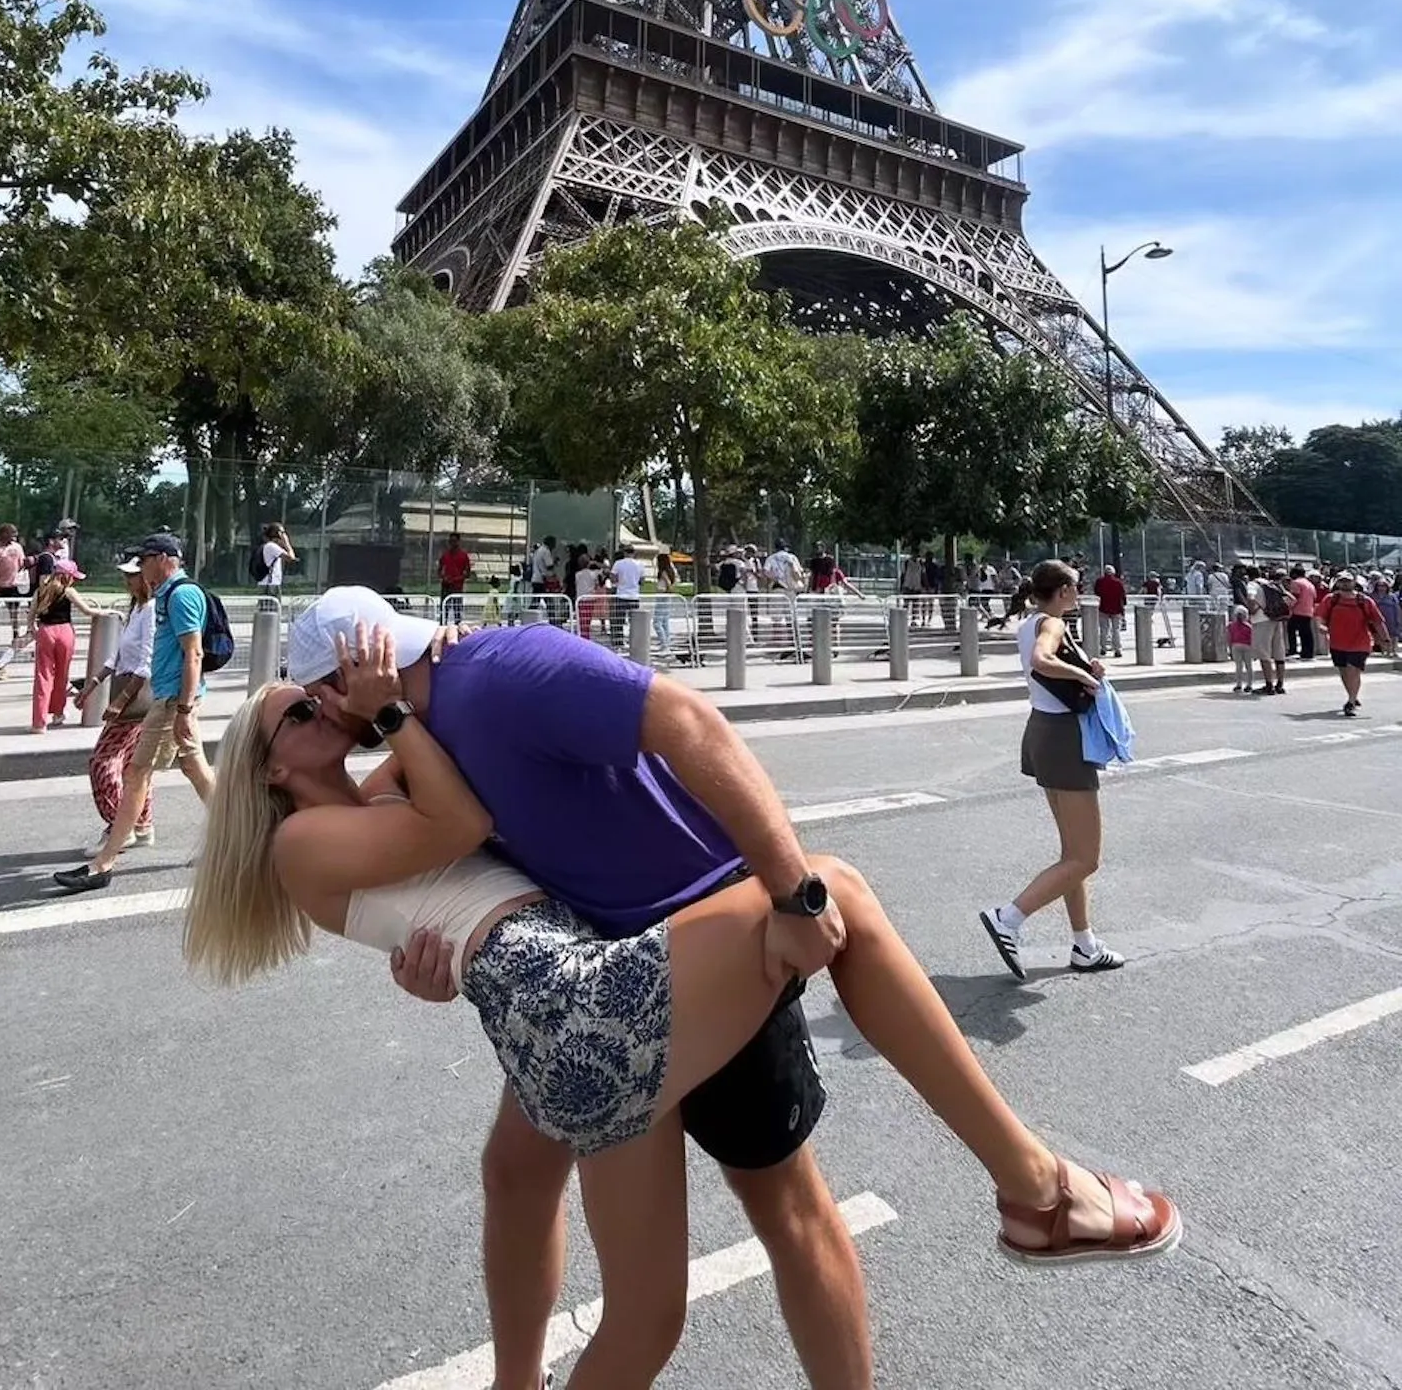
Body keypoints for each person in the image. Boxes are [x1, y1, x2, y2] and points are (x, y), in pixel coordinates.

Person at [185, 601, 1180, 1390]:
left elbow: (455, 825)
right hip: (596, 996)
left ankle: (518, 1378)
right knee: (841, 904)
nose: (327, 712)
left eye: (318, 698)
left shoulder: (399, 767)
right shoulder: (315, 833)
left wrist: (424, 670)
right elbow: (465, 816)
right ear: (271, 762)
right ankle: (1035, 1187)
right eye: (303, 712)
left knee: (639, 1301)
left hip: (587, 1010)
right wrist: (398, 701)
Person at [980, 560, 1125, 980]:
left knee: (1071, 854)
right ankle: (1008, 918)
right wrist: (1086, 675)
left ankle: (1085, 945)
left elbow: (1042, 663)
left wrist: (1084, 667)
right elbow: (1044, 661)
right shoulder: (1052, 624)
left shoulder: (1030, 621)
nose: (1079, 595)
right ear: (1061, 590)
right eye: (1075, 588)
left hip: (1042, 732)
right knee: (1086, 858)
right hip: (1064, 739)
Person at [54, 535, 215, 889]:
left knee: (136, 773)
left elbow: (194, 654)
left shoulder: (182, 594)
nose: (139, 569)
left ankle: (104, 863)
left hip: (173, 700)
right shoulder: (163, 595)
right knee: (193, 768)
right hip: (170, 697)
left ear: (162, 558)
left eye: (143, 561)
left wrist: (185, 708)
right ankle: (240, 836)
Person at [74, 557, 156, 854]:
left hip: (136, 699)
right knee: (133, 767)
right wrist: (92, 684)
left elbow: (146, 662)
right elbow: (119, 655)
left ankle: (118, 824)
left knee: (102, 762)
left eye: (133, 576)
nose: (128, 581)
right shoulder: (136, 609)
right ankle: (141, 823)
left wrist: (121, 701)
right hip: (128, 693)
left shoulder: (151, 611)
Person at [1315, 571, 1393, 717]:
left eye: (1348, 581)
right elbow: (1319, 616)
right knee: (1344, 672)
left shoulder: (1364, 600)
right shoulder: (1331, 599)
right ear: (1337, 583)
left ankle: (1350, 702)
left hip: (1360, 643)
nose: (1345, 583)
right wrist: (1321, 626)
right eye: (1342, 581)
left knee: (1353, 670)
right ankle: (1353, 695)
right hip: (1337, 643)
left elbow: (1378, 621)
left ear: (1354, 582)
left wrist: (1386, 639)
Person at [31, 561, 94, 734]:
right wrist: (107, 613)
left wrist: (35, 631)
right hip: (65, 632)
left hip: (45, 632)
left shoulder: (40, 591)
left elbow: (30, 618)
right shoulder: (68, 591)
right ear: (67, 576)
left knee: (43, 676)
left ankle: (39, 722)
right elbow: (87, 611)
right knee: (62, 675)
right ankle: (58, 713)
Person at [1247, 567, 1289, 696]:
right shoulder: (1270, 584)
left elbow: (1250, 597)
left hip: (1261, 620)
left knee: (1263, 652)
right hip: (1276, 619)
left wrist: (1253, 609)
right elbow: (1288, 598)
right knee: (1278, 652)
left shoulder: (1252, 584)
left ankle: (1269, 685)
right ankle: (1280, 684)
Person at [0, 523, 28, 647]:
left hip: (12, 584)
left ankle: (15, 635)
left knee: (14, 611)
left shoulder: (17, 547)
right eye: (12, 534)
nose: (14, 537)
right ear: (4, 534)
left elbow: (21, 563)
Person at [438, 532, 473, 625]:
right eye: (450, 541)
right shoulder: (445, 555)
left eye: (454, 541)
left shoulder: (463, 555)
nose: (452, 543)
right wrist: (443, 577)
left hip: (457, 587)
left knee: (457, 611)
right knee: (444, 609)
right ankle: (442, 627)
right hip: (446, 586)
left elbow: (468, 573)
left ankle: (457, 629)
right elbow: (439, 569)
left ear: (458, 541)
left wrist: (457, 579)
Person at [1092, 565, 1127, 658]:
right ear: (1113, 572)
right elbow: (1123, 595)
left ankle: (1103, 648)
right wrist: (1124, 606)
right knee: (1116, 630)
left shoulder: (1099, 581)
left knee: (1104, 629)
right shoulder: (1118, 582)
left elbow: (1096, 592)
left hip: (1103, 607)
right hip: (1116, 609)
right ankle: (1117, 649)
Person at [256, 522, 297, 600]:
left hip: (268, 584)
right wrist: (287, 543)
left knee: (267, 610)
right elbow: (291, 558)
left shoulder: (268, 546)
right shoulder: (272, 546)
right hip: (271, 585)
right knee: (271, 610)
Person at [1286, 565, 1318, 663]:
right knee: (1306, 633)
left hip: (1298, 610)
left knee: (1291, 629)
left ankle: (1293, 649)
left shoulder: (1296, 583)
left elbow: (1294, 597)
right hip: (1308, 610)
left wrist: (1288, 606)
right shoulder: (1310, 584)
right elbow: (1315, 596)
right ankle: (1308, 652)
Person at [652, 550, 680, 656]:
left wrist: (668, 588)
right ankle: (666, 642)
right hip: (667, 597)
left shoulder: (663, 572)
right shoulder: (671, 570)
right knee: (664, 621)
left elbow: (668, 584)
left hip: (662, 595)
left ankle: (664, 644)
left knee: (657, 622)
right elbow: (675, 581)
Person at [1226, 604, 1254, 694]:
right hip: (1247, 646)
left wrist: (1229, 649)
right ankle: (1249, 685)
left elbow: (1229, 638)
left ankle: (1238, 684)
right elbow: (1253, 639)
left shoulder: (1230, 626)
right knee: (1249, 666)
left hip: (1235, 645)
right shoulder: (1249, 627)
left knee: (1238, 667)